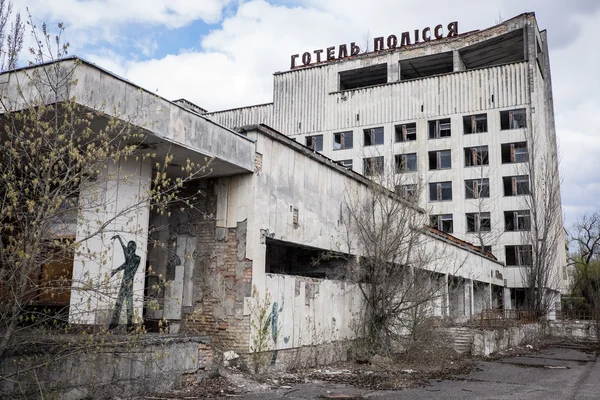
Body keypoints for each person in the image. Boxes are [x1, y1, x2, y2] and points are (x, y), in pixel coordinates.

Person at [108, 235, 141, 331]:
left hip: (128, 282)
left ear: (133, 248)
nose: (128, 249)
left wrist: (119, 238)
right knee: (120, 303)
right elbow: (126, 264)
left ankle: (129, 326)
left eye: (130, 247)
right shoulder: (131, 257)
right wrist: (116, 271)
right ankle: (114, 325)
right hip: (126, 282)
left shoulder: (136, 258)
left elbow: (131, 267)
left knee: (127, 304)